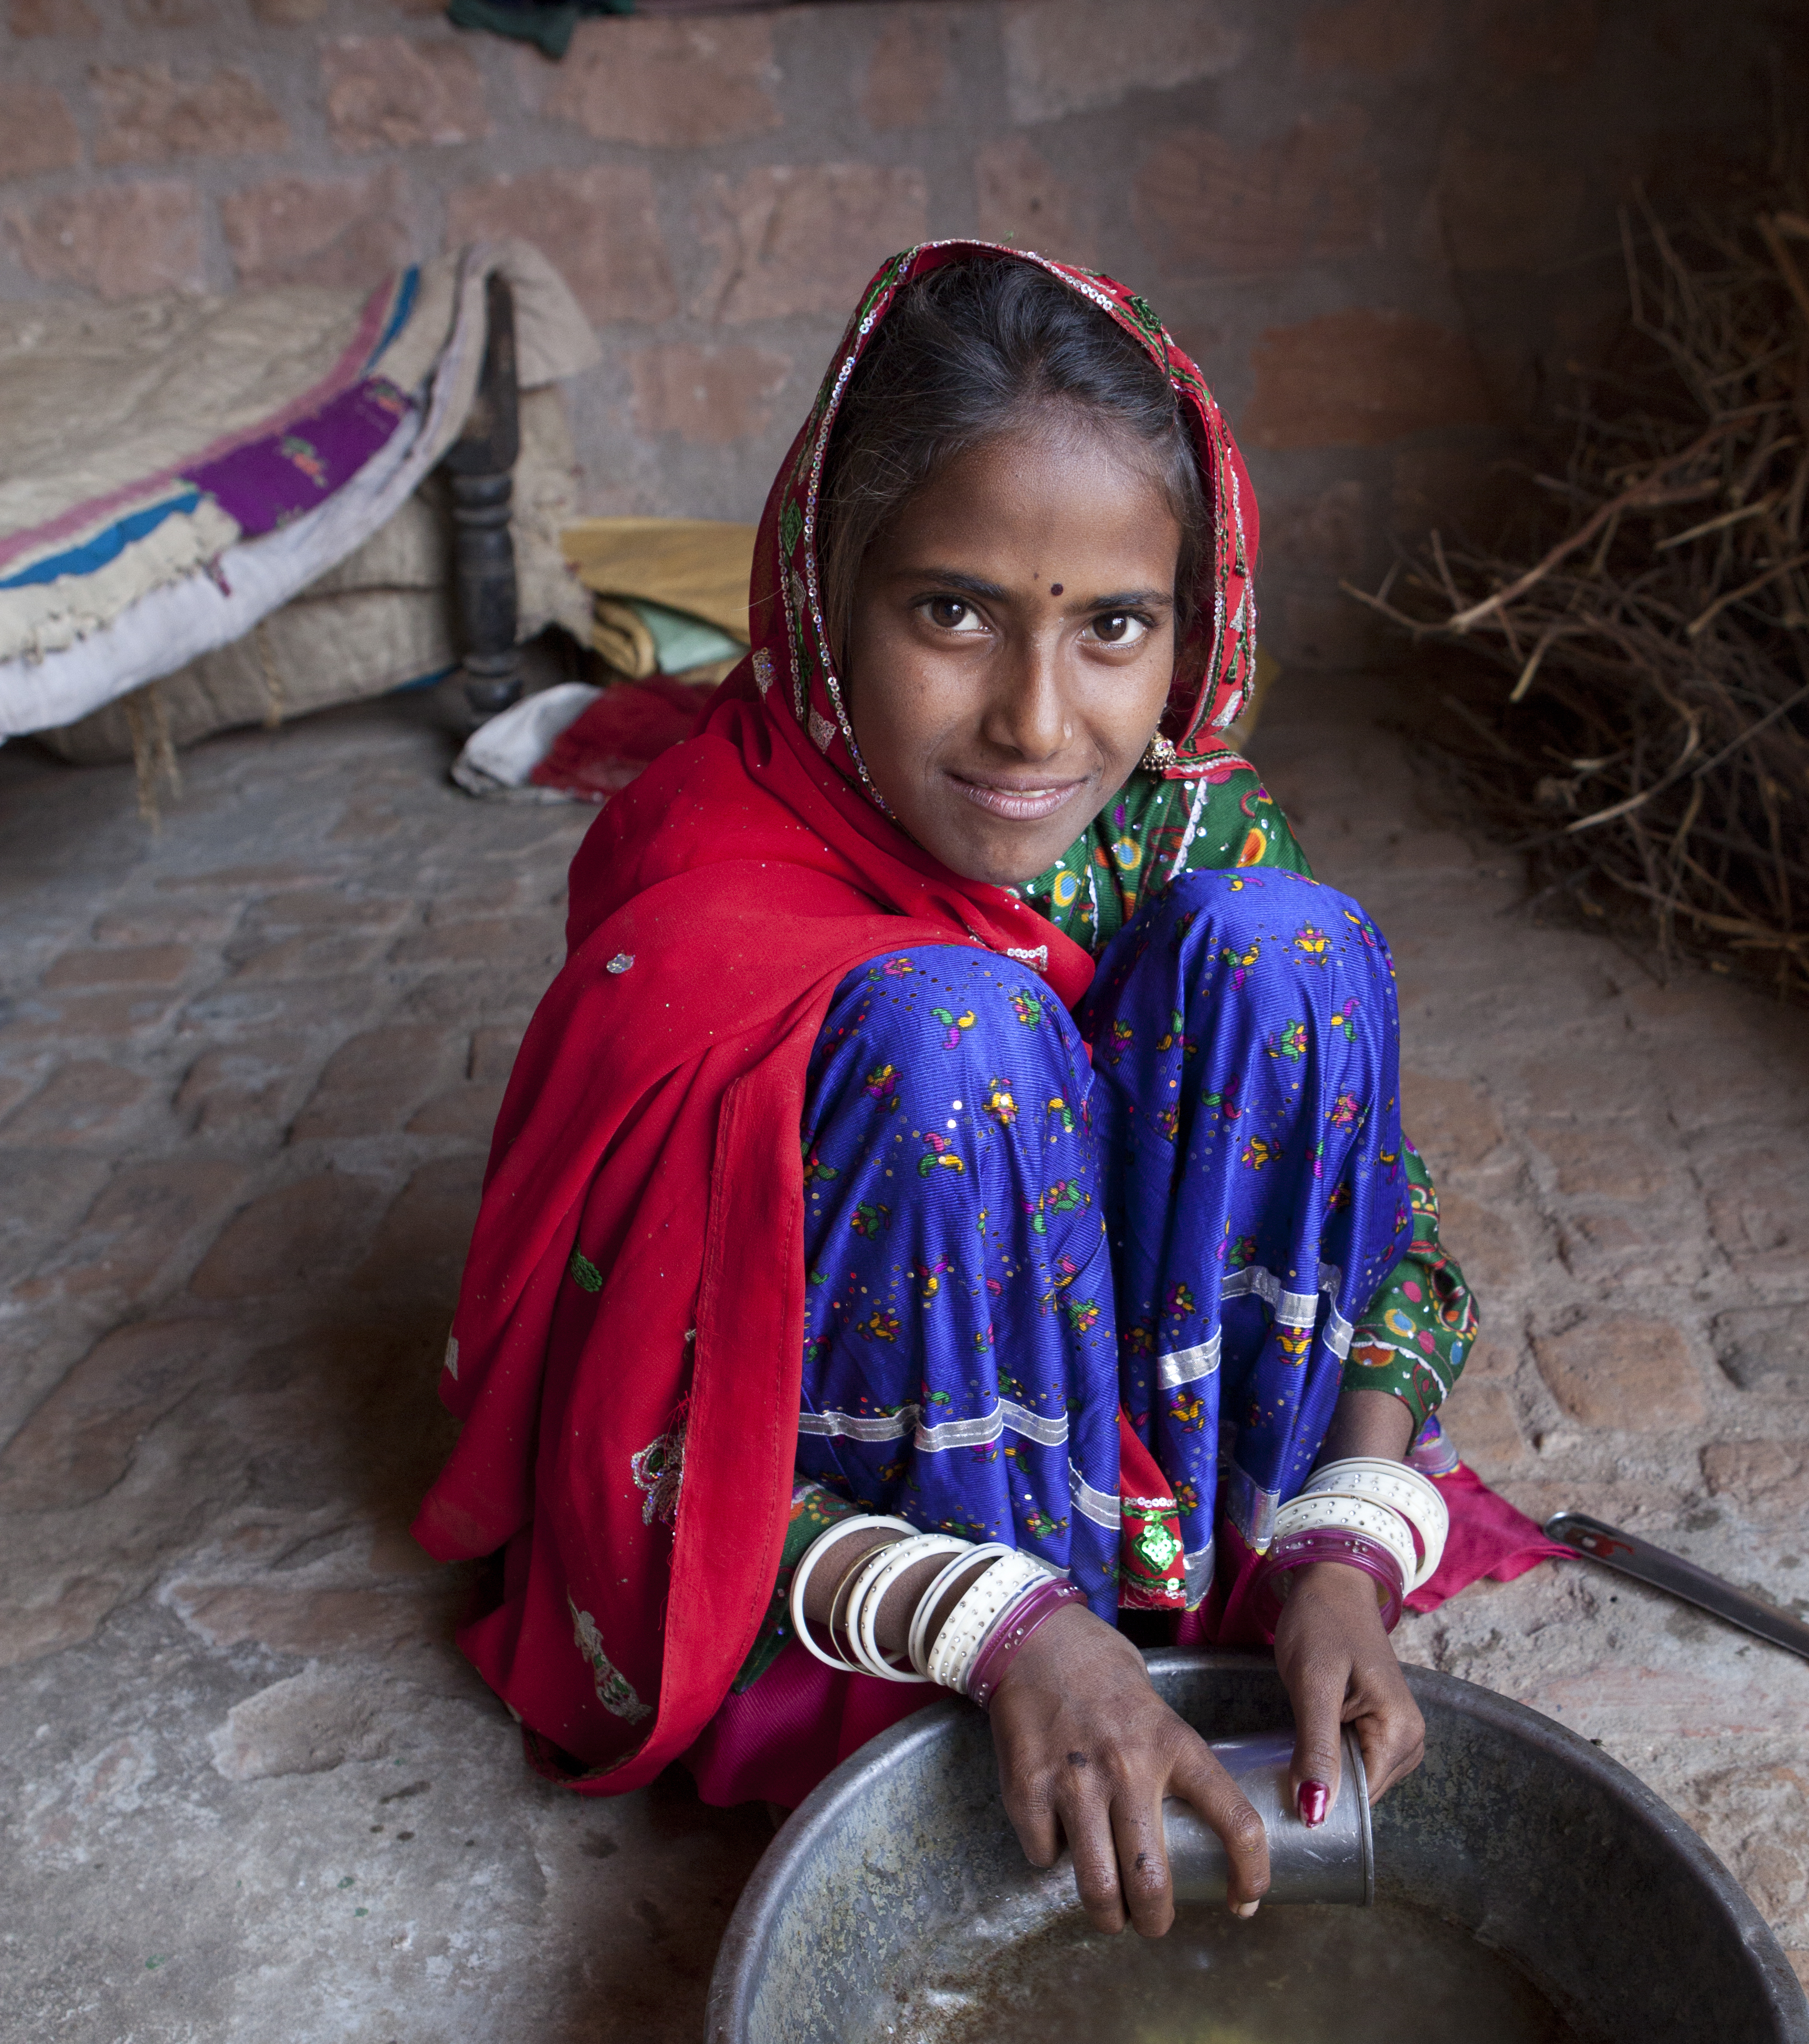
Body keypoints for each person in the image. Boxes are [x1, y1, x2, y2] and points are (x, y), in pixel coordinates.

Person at [415, 243, 1553, 1933]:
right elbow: (634, 1453)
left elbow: (1387, 1230)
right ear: (825, 597)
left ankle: (1212, 1581)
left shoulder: (1185, 832)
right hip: (872, 1590)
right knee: (955, 1038)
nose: (1036, 722)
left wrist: (1336, 1544)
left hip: (1186, 1500)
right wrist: (1006, 1624)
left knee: (1290, 952)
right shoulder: (705, 887)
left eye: (1113, 627)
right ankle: (1010, 1667)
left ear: (1191, 624)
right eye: (952, 612)